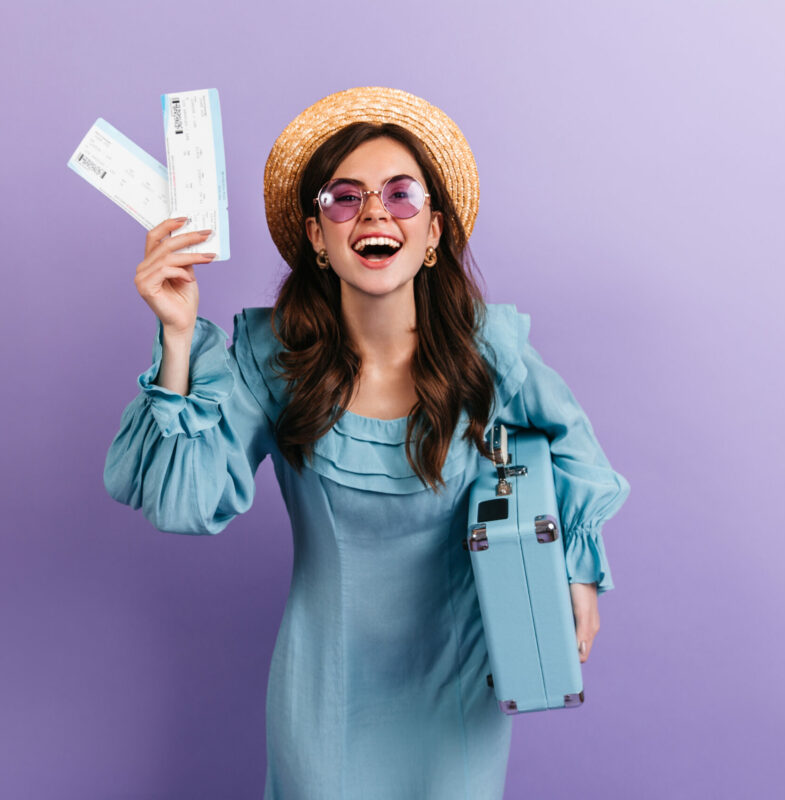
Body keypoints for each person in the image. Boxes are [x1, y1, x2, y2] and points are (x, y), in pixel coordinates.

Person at [104, 87, 630, 800]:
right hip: (324, 689)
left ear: (435, 231)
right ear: (317, 238)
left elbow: (578, 457)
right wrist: (174, 335)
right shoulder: (269, 359)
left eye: (400, 194)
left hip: (460, 684)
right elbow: (185, 503)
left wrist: (579, 571)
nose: (375, 212)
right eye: (344, 197)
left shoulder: (490, 352)